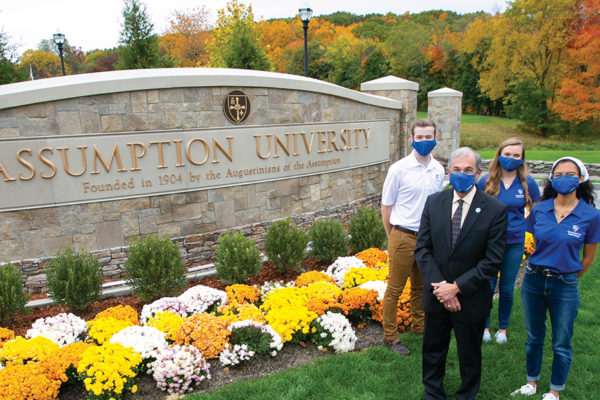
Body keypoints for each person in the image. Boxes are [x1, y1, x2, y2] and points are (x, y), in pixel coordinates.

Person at [415, 147, 508, 400]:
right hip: (437, 295)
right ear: (449, 171)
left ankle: (467, 395)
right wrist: (442, 289)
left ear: (478, 173)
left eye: (468, 170)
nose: (461, 174)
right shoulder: (435, 203)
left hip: (470, 297)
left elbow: (492, 260)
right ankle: (433, 394)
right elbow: (423, 249)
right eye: (456, 170)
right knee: (433, 350)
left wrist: (457, 287)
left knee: (469, 354)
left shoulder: (495, 210)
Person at [511, 157, 599, 400]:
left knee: (562, 341)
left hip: (565, 285)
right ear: (551, 178)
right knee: (534, 336)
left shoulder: (590, 215)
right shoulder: (540, 209)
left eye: (570, 174)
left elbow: (589, 258)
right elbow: (530, 244)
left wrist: (568, 275)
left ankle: (554, 391)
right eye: (558, 174)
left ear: (580, 178)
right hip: (534, 281)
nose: (564, 178)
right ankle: (531, 383)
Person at [380, 119, 445, 355]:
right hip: (403, 235)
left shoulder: (438, 170)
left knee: (421, 287)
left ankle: (419, 327)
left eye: (429, 137)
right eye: (420, 137)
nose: (424, 141)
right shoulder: (399, 169)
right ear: (412, 139)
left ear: (435, 138)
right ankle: (390, 337)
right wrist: (392, 235)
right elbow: (386, 206)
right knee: (395, 289)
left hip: (428, 238)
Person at [478, 138, 541, 344]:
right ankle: (484, 326)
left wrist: (528, 228)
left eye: (516, 155)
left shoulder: (527, 183)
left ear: (522, 158)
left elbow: (537, 209)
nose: (511, 159)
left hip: (514, 242)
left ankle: (502, 328)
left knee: (506, 288)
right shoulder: (486, 181)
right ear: (499, 155)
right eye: (507, 154)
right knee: (486, 286)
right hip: (488, 243)